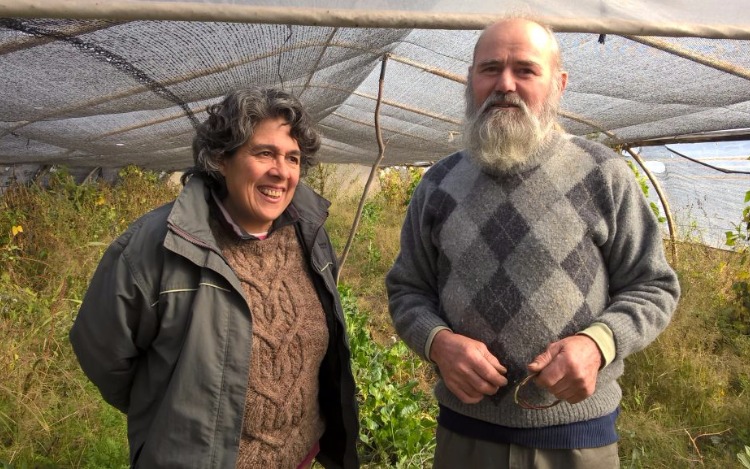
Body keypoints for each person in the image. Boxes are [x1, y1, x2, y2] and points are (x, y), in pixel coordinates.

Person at [386, 17, 680, 469]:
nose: (505, 84)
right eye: (489, 69)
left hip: (577, 438)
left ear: (558, 83)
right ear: (470, 81)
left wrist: (597, 343)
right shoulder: (438, 184)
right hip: (466, 434)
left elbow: (655, 286)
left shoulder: (602, 174)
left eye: (525, 70)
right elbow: (407, 289)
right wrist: (437, 342)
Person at [70, 87, 359, 468]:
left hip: (297, 456)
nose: (281, 171)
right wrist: (174, 413)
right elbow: (102, 352)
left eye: (292, 158)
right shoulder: (157, 244)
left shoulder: (309, 234)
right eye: (264, 153)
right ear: (222, 158)